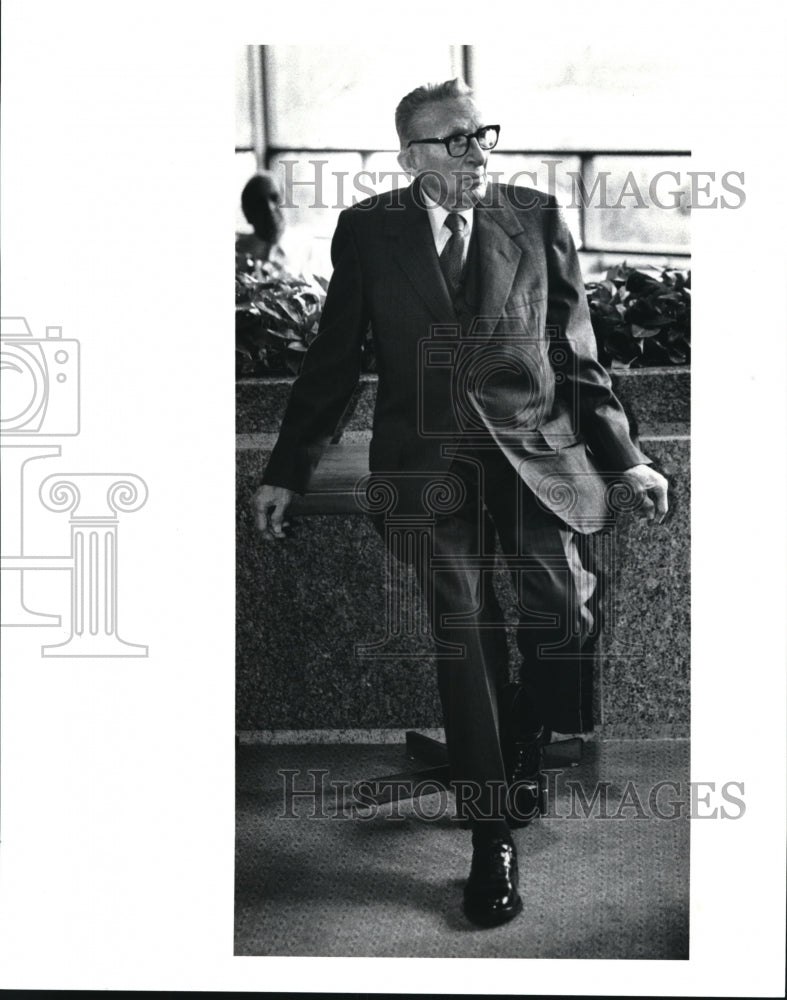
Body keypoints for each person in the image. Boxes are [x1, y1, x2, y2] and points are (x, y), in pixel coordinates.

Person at [253, 78, 669, 927]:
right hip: (425, 472)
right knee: (465, 629)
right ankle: (490, 833)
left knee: (564, 611)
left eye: (482, 135)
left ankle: (516, 734)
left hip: (535, 455)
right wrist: (287, 468)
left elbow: (577, 354)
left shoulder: (536, 217)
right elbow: (334, 359)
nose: (478, 152)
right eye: (456, 140)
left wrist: (625, 458)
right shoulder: (369, 232)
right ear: (409, 155)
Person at [235, 171, 286, 266]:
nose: (270, 208)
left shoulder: (290, 257)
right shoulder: (237, 257)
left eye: (274, 198)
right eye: (260, 203)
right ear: (248, 213)